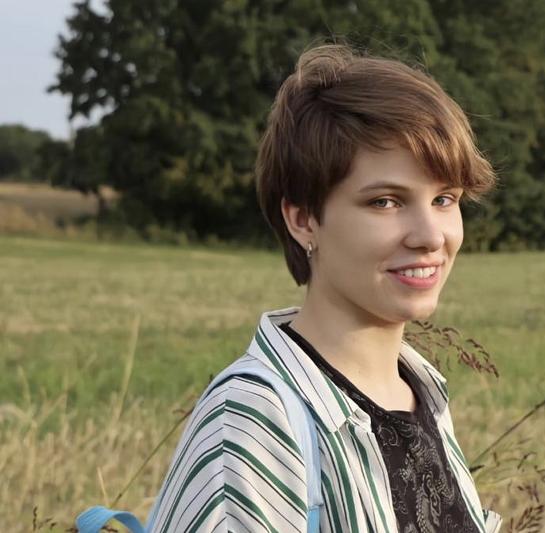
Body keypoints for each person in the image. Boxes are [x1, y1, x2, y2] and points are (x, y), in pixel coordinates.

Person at [147, 43, 501, 533]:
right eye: (385, 202)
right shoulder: (254, 424)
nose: (430, 236)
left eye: (444, 199)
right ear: (303, 219)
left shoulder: (422, 394)